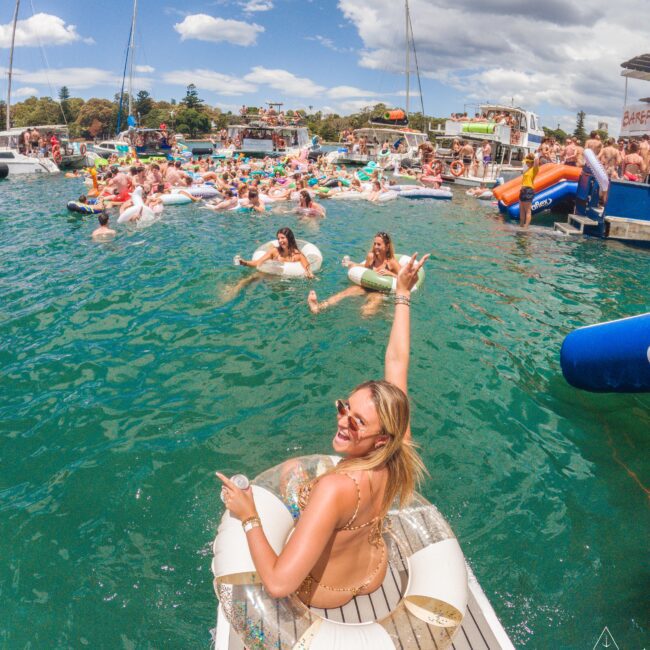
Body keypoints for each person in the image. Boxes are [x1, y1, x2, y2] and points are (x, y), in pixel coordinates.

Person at [217, 253, 428, 608]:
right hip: (373, 570)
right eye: (345, 407)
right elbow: (396, 361)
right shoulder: (398, 451)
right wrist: (402, 294)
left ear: (380, 438)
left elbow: (279, 584)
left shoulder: (335, 488)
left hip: (325, 591)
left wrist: (248, 515)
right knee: (291, 473)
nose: (343, 420)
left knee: (291, 483)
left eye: (357, 421)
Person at [308, 232, 401, 317]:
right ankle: (318, 307)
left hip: (380, 292)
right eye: (375, 243)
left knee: (367, 311)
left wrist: (390, 273)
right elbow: (365, 269)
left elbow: (405, 279)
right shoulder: (371, 257)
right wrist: (352, 264)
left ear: (387, 246)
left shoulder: (391, 262)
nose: (376, 246)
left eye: (379, 244)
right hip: (365, 287)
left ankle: (376, 314)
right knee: (343, 293)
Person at [239, 227, 314, 279]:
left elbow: (308, 269)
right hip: (269, 276)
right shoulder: (275, 251)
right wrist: (244, 263)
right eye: (278, 239)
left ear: (289, 238)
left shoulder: (298, 255)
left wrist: (309, 274)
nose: (280, 241)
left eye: (282, 238)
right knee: (247, 280)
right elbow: (258, 262)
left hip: (288, 281)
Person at [519, 153, 540, 228]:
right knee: (521, 210)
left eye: (528, 162)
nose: (526, 163)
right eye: (526, 162)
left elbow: (537, 161)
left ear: (531, 162)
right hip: (523, 190)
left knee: (527, 211)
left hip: (528, 190)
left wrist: (534, 156)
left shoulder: (534, 169)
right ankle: (521, 226)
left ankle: (526, 227)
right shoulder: (527, 169)